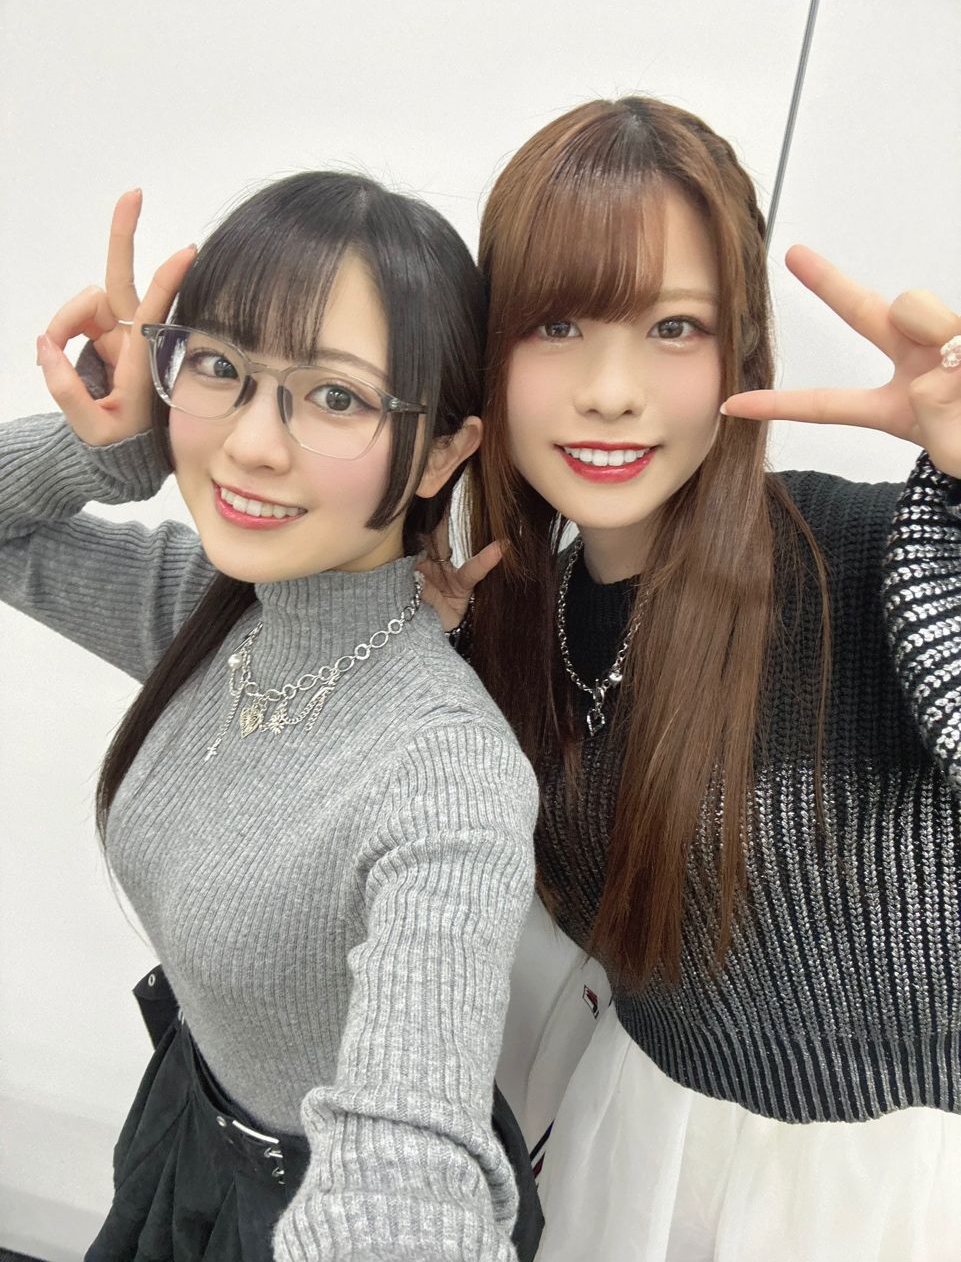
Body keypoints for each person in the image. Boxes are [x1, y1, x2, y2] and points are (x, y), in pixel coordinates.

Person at [423, 96, 961, 1260]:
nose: (609, 389)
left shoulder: (884, 561)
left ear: (740, 350)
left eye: (673, 327)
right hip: (634, 1140)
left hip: (887, 1195)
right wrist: (126, 442)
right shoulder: (502, 614)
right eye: (556, 323)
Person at [1, 174, 543, 1261]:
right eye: (219, 368)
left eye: (335, 396)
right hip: (185, 1124)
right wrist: (115, 445)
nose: (251, 443)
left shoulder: (447, 774)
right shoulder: (209, 614)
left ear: (442, 452)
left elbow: (408, 1168)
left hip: (301, 1206)